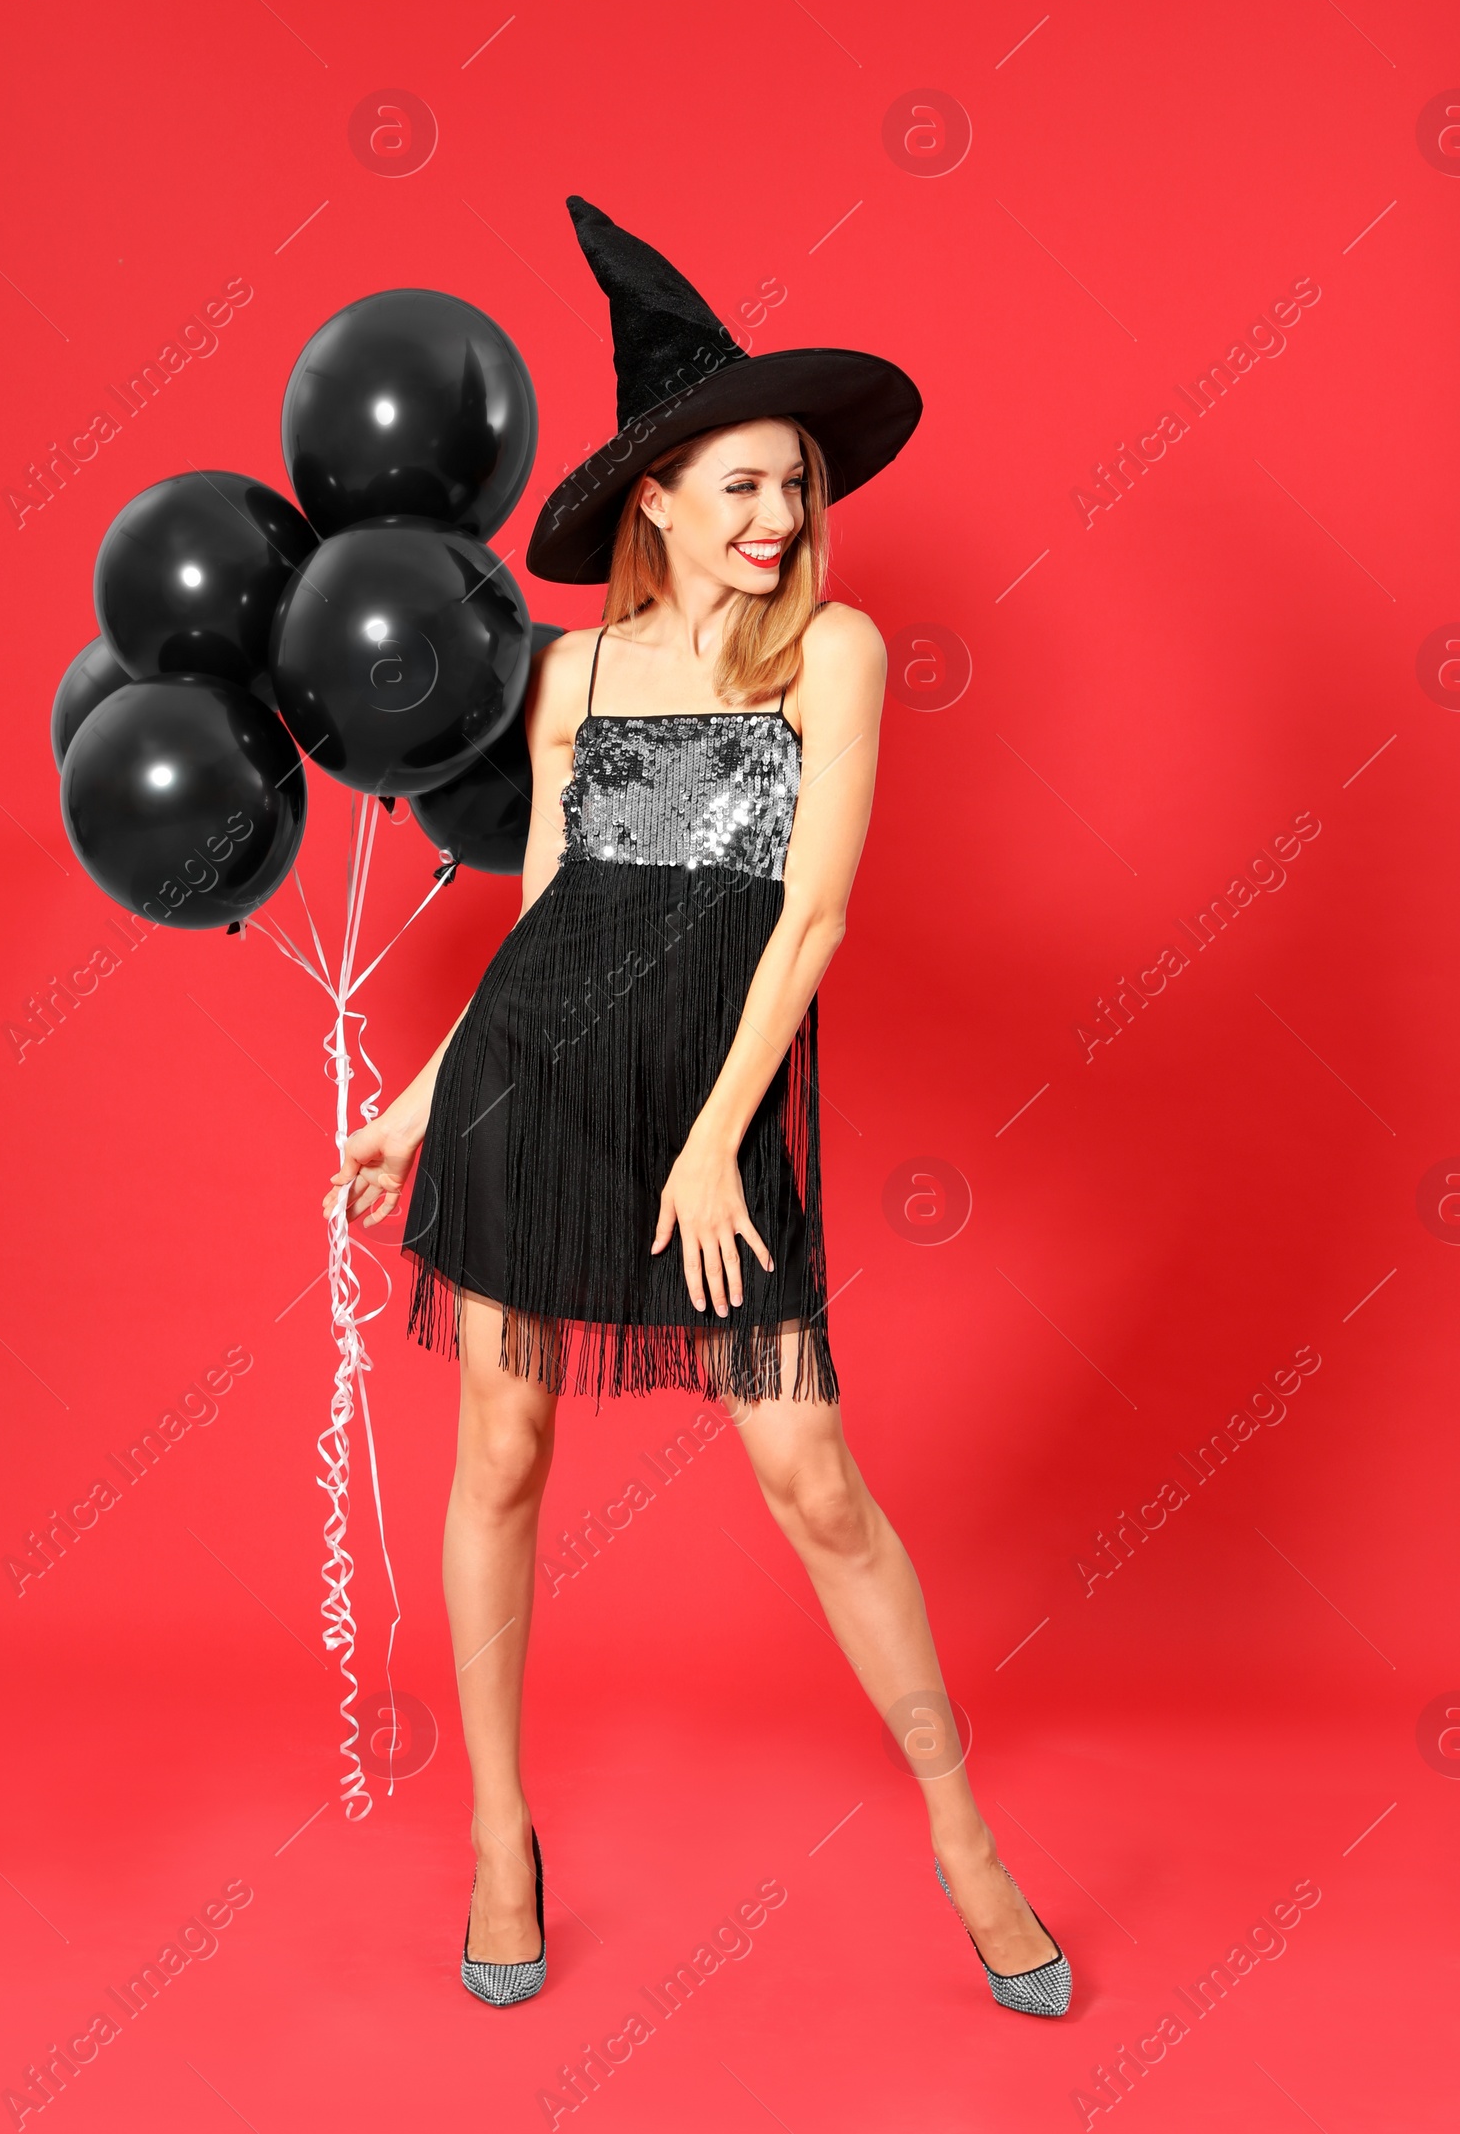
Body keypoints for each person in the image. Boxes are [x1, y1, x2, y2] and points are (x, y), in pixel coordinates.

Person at [324, 197, 1070, 2017]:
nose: (777, 522)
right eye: (739, 487)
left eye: (794, 486)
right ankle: (502, 1835)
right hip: (537, 1093)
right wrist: (420, 1104)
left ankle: (968, 1841)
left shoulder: (834, 658)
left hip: (714, 1112)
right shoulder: (575, 673)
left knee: (811, 1479)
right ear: (651, 501)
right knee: (499, 1456)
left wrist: (724, 1131)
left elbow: (808, 914)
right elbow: (551, 919)